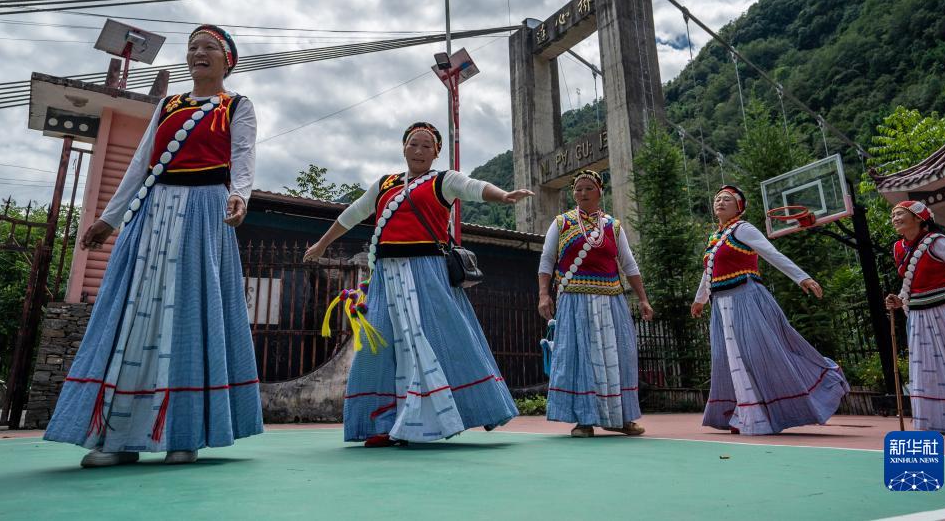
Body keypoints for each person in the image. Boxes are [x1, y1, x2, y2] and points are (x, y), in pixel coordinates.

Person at [44, 25, 263, 466]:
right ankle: (118, 438)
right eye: (193, 47)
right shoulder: (168, 105)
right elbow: (141, 164)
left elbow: (243, 155)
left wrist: (240, 194)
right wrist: (109, 218)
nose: (198, 53)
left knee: (189, 314)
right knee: (134, 314)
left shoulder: (236, 106)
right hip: (154, 212)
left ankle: (184, 433)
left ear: (227, 60)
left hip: (205, 211)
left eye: (208, 47)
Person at [304, 122, 533, 446]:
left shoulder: (443, 181)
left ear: (436, 152)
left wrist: (503, 195)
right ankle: (382, 423)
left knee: (437, 341)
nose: (419, 150)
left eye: (427, 146)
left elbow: (473, 187)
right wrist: (322, 244)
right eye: (413, 143)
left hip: (428, 273)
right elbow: (352, 214)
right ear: (403, 148)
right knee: (378, 346)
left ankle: (447, 415)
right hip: (385, 276)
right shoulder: (384, 184)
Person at [691, 185, 848, 435]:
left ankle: (775, 407)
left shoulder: (743, 229)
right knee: (729, 358)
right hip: (720, 303)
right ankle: (746, 413)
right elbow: (709, 270)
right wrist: (700, 299)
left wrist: (802, 277)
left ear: (739, 208)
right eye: (717, 199)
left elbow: (771, 253)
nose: (720, 202)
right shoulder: (714, 238)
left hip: (745, 298)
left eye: (727, 199)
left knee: (757, 354)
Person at [536, 169, 653, 438]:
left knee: (618, 356)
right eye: (578, 189)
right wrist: (544, 294)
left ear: (600, 192)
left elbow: (629, 264)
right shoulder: (561, 223)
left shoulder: (613, 226)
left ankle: (620, 417)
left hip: (612, 299)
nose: (583, 193)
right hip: (574, 300)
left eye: (589, 188)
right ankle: (584, 420)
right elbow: (547, 260)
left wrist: (643, 299)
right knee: (582, 358)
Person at [885, 200, 945, 434]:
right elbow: (911, 284)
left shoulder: (938, 242)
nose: (895, 219)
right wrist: (899, 300)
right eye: (893, 215)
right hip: (919, 317)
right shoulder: (898, 248)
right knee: (930, 372)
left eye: (900, 214)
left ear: (918, 218)